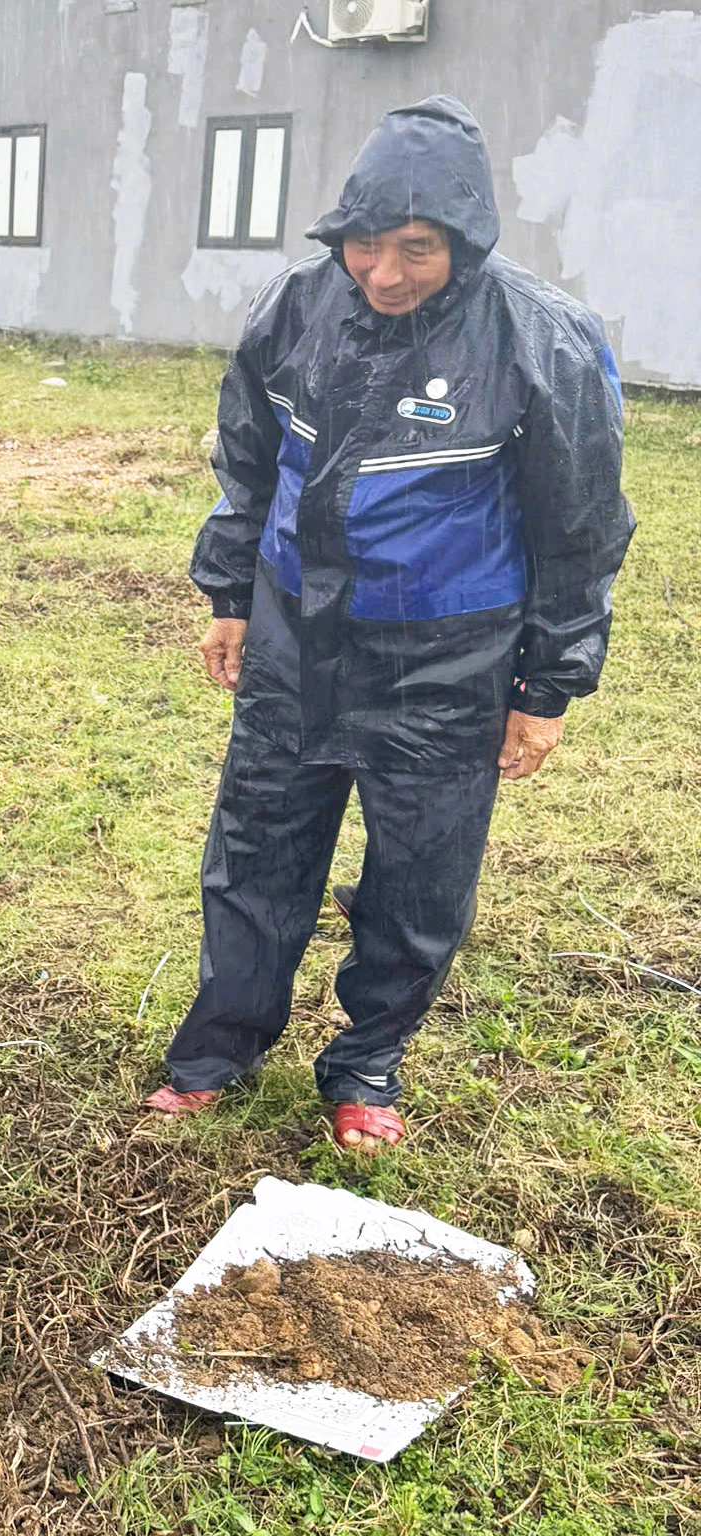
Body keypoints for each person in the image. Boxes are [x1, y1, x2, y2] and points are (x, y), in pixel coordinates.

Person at [144, 96, 634, 1152]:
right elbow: (246, 459)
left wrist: (547, 687)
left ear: (466, 236)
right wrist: (229, 596)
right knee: (256, 849)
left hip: (447, 662)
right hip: (292, 640)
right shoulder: (295, 307)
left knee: (419, 874)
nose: (386, 271)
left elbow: (581, 527)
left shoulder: (538, 339)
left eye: (417, 248)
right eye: (366, 244)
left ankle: (366, 1063)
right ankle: (217, 1049)